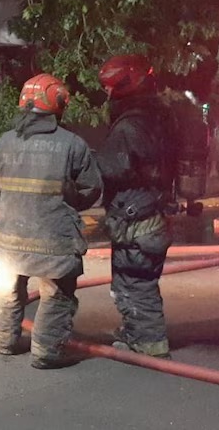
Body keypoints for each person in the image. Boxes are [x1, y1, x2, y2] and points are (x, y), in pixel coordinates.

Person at [0, 73, 103, 369]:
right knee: (56, 294)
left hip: (11, 235)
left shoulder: (5, 141)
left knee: (7, 288)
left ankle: (4, 341)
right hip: (55, 239)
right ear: (59, 104)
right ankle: (46, 352)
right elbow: (92, 189)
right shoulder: (72, 144)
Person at [96, 54, 174, 359]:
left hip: (135, 221)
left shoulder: (129, 127)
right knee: (140, 280)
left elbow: (110, 169)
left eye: (110, 88)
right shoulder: (160, 119)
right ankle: (138, 332)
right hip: (154, 215)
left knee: (134, 281)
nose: (107, 94)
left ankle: (149, 342)